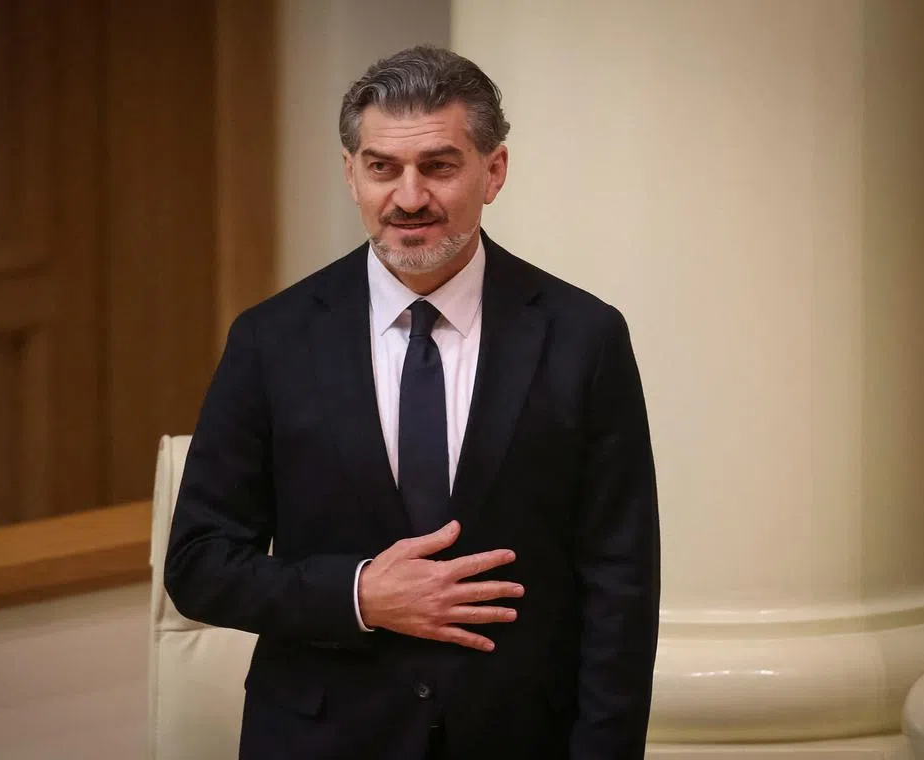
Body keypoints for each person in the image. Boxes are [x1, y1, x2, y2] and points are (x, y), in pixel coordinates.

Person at [165, 45, 660, 760]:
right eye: (381, 168)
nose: (407, 197)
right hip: (322, 740)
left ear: (494, 171)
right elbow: (200, 564)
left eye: (438, 165)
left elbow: (621, 583)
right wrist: (361, 595)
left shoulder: (584, 337)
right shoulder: (270, 340)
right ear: (350, 174)